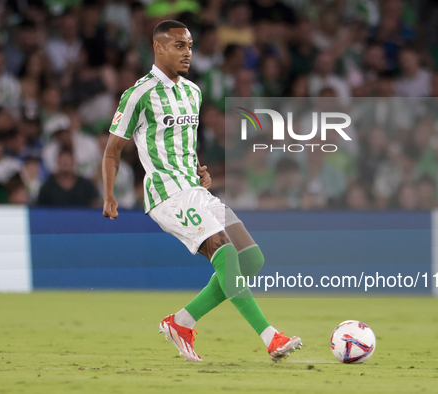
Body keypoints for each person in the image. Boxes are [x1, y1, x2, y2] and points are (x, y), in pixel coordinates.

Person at [102, 20, 302, 363]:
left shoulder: (192, 92)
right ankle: (271, 337)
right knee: (223, 253)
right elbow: (112, 150)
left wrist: (197, 168)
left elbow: (183, 143)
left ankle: (181, 322)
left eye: (190, 46)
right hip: (167, 194)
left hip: (193, 188)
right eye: (179, 46)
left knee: (252, 258)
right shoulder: (139, 93)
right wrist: (109, 195)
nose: (187, 53)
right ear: (158, 47)